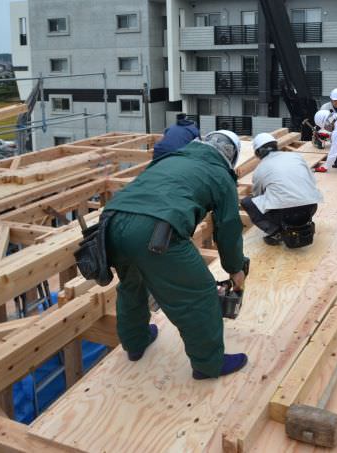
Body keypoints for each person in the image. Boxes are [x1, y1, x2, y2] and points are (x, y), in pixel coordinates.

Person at [103, 130, 248, 380]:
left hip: (111, 222)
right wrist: (235, 268)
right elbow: (229, 226)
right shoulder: (221, 175)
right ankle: (208, 364)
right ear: (230, 157)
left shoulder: (170, 158)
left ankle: (135, 344)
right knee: (200, 294)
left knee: (132, 285)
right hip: (155, 230)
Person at [241, 133, 323, 246]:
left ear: (258, 153)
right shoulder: (296, 157)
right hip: (311, 208)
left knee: (247, 202)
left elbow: (257, 196)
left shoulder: (260, 169)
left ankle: (276, 232)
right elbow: (312, 181)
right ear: (276, 146)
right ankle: (301, 222)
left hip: (285, 215)